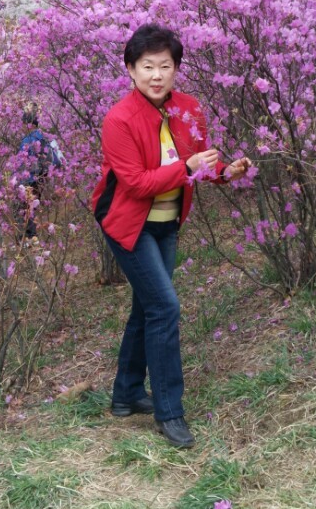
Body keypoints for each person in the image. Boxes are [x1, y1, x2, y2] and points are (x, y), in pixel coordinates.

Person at [92, 24, 251, 448]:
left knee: (148, 307)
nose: (157, 75)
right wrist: (188, 167)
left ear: (176, 69)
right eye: (147, 66)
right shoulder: (119, 119)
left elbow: (199, 163)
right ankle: (169, 411)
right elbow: (136, 183)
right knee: (164, 307)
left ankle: (127, 394)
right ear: (131, 70)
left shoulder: (189, 108)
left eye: (165, 65)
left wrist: (225, 172)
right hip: (128, 224)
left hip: (167, 223)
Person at [18, 107, 62, 239]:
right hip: (42, 177)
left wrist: (18, 180)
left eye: (23, 124)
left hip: (30, 179)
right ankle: (30, 236)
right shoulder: (44, 137)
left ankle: (30, 237)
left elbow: (21, 162)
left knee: (27, 208)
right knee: (33, 205)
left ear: (30, 124)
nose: (22, 127)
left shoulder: (27, 140)